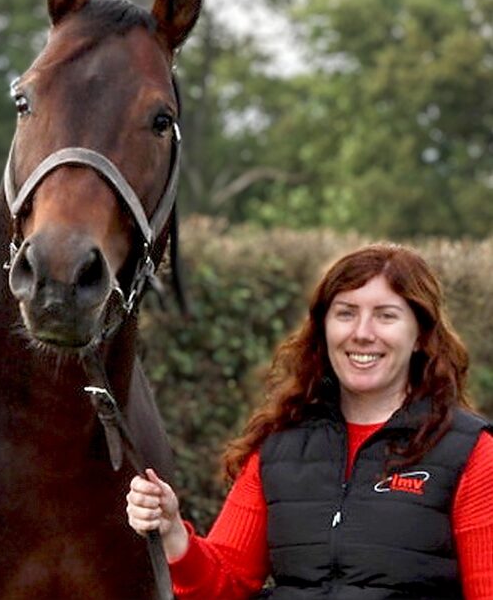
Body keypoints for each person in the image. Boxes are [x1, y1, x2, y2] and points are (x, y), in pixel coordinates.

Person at [127, 243, 493, 598]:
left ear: (420, 337)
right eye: (346, 313)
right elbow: (225, 586)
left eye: (386, 315)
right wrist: (173, 532)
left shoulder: (470, 452)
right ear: (324, 330)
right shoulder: (279, 446)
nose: (362, 333)